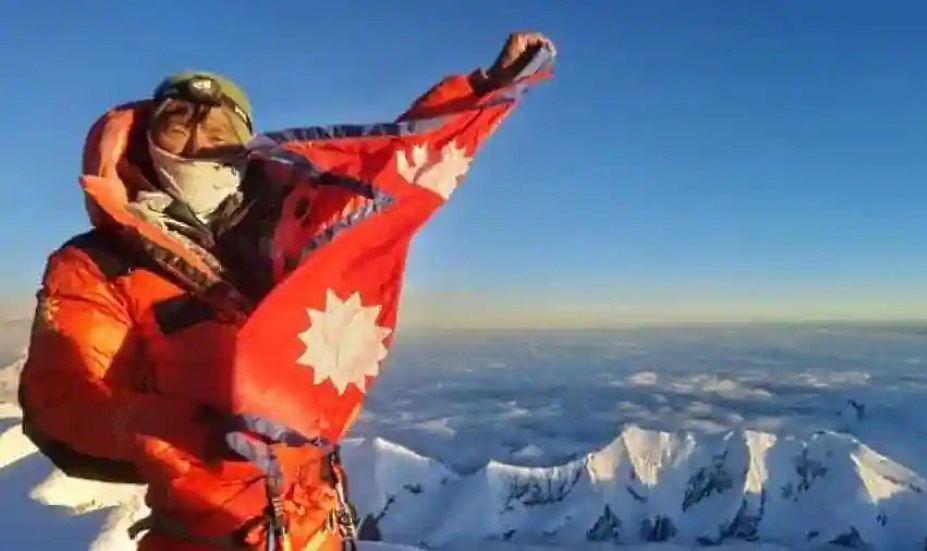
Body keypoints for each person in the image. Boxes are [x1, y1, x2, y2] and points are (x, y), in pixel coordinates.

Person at [18, 31, 556, 551]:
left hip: (317, 528)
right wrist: (190, 435)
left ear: (245, 141)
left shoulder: (300, 220)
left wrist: (483, 89)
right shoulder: (98, 265)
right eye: (178, 121)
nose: (200, 138)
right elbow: (62, 406)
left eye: (220, 124)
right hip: (201, 537)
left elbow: (394, 166)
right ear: (146, 140)